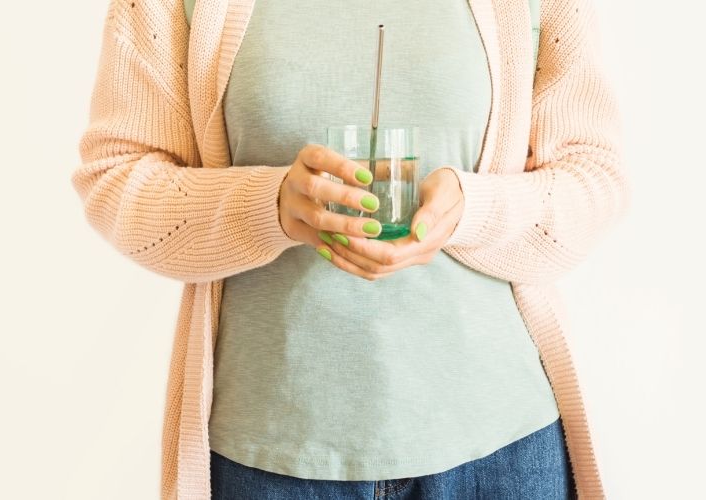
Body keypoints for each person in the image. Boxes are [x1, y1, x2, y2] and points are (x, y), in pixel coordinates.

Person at [69, 0, 631, 498]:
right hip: (270, 454)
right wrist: (270, 207)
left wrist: (474, 209)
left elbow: (594, 178)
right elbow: (116, 177)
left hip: (501, 451)